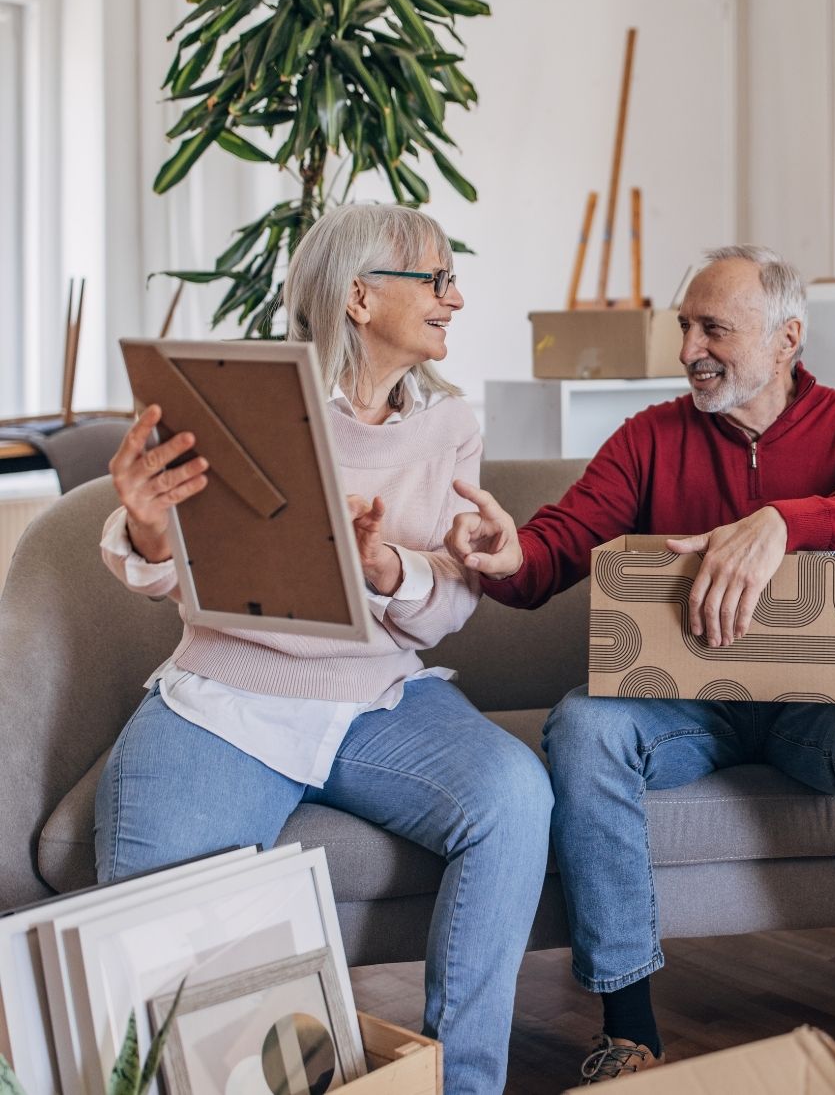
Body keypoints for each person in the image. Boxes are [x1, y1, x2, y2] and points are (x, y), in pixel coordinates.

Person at [445, 246, 835, 1092]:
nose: (688, 348)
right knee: (584, 723)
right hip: (688, 705)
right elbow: (560, 545)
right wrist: (510, 557)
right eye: (684, 326)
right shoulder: (649, 438)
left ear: (786, 336)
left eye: (713, 328)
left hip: (825, 697)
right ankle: (628, 1028)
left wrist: (784, 522)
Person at [95, 203, 553, 1095]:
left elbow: (451, 601)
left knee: (512, 794)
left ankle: (460, 1085)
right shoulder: (241, 406)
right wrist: (152, 533)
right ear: (359, 297)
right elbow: (172, 566)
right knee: (149, 923)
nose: (456, 299)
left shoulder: (450, 425)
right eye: (437, 280)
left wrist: (387, 565)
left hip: (379, 700)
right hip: (229, 697)